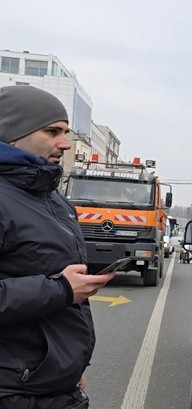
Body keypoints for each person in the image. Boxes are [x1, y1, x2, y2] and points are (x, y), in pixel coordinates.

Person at [0, 85, 116, 408]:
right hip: (15, 392)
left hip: (53, 386)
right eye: (52, 132)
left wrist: (67, 365)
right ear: (13, 133)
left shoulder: (55, 200)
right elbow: (60, 288)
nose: (65, 143)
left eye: (65, 131)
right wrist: (61, 289)